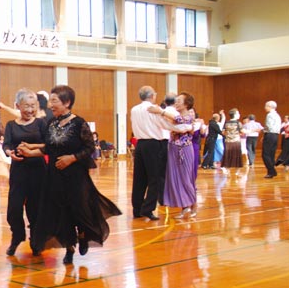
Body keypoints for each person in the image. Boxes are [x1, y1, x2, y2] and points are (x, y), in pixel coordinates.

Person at [19, 85, 121, 264]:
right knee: (61, 214)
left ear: (67, 103)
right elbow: (50, 148)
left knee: (79, 211)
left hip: (76, 178)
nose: (50, 105)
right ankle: (69, 248)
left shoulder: (79, 123)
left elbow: (89, 148)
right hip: (54, 177)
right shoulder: (51, 123)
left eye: (54, 101)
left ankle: (83, 235)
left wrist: (72, 158)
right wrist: (30, 151)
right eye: (50, 101)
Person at [0, 89, 47, 256]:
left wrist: (32, 149)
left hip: (38, 170)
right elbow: (6, 144)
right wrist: (9, 153)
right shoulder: (11, 125)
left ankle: (36, 239)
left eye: (33, 106)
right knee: (14, 207)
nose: (30, 110)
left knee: (35, 207)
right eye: (26, 106)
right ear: (17, 106)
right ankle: (17, 235)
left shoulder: (41, 123)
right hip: (18, 170)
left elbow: (48, 144)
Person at [150, 93, 198, 219]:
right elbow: (170, 124)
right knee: (176, 178)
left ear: (186, 104)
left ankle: (193, 204)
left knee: (186, 178)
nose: (176, 103)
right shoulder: (175, 117)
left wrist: (161, 111)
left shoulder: (188, 116)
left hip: (184, 150)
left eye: (179, 101)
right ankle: (185, 206)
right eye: (176, 100)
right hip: (172, 149)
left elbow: (180, 120)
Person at [130, 86, 168, 221]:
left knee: (139, 178)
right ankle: (148, 208)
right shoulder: (153, 109)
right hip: (153, 144)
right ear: (152, 96)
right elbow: (165, 125)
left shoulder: (134, 109)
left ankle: (137, 209)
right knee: (155, 178)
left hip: (140, 144)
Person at [261, 101, 281, 179]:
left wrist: (262, 130)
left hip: (269, 134)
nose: (265, 108)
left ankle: (271, 171)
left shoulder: (269, 115)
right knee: (271, 154)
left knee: (265, 154)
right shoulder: (277, 115)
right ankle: (271, 172)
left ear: (270, 107)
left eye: (266, 106)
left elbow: (268, 127)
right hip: (275, 135)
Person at [221, 108, 243, 174]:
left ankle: (227, 169)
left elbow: (223, 132)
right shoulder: (238, 123)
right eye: (238, 113)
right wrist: (252, 131)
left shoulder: (226, 123)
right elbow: (242, 131)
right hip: (236, 141)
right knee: (237, 155)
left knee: (228, 155)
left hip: (228, 141)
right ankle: (237, 171)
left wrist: (229, 134)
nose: (239, 114)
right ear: (235, 114)